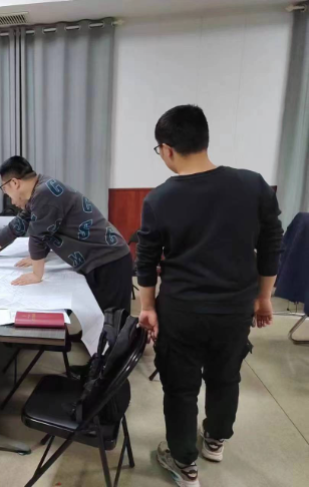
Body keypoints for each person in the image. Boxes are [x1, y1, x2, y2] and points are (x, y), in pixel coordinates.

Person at [136, 105, 283, 487]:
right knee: (225, 377)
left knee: (180, 388)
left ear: (167, 149)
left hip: (181, 311)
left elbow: (146, 261)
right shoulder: (253, 185)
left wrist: (147, 308)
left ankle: (185, 462)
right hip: (235, 307)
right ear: (204, 140)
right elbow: (271, 243)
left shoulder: (159, 199)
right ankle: (216, 440)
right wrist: (264, 297)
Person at [0, 156, 133, 314]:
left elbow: (37, 236)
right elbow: (15, 227)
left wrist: (36, 274)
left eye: (5, 190)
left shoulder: (44, 193)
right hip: (100, 259)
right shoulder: (38, 192)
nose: (10, 199)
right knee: (101, 320)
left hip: (109, 260)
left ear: (14, 183)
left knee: (115, 323)